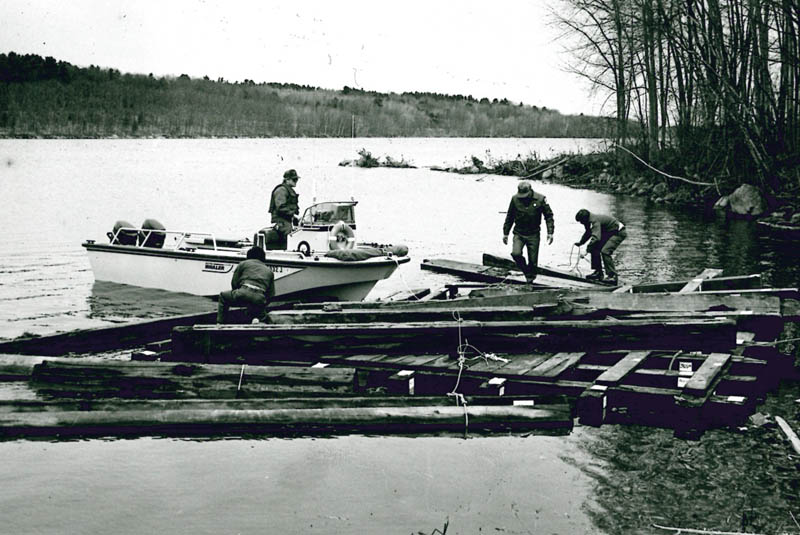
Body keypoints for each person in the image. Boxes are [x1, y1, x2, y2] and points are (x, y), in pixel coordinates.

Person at [502, 181, 554, 283]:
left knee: (533, 263)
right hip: (519, 233)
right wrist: (505, 233)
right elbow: (510, 216)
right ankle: (525, 270)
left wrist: (550, 232)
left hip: (533, 234)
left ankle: (530, 281)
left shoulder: (541, 199)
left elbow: (549, 216)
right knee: (515, 253)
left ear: (530, 191)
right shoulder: (515, 199)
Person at [217, 246, 275, 324]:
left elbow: (234, 283)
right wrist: (260, 304)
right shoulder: (269, 271)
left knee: (223, 296)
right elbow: (271, 295)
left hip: (243, 292)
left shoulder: (243, 264)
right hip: (259, 298)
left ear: (248, 256)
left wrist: (239, 296)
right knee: (260, 314)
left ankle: (220, 323)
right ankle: (258, 319)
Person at [574, 209, 627, 285]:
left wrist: (586, 251)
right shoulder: (588, 220)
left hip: (618, 232)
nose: (581, 223)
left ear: (585, 219)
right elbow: (588, 232)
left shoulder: (594, 221)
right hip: (609, 231)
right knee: (594, 249)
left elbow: (596, 238)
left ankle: (612, 276)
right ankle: (598, 272)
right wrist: (581, 242)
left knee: (605, 251)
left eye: (581, 221)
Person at [267, 169, 301, 249]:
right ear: (287, 180)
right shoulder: (281, 190)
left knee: (300, 231)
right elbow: (280, 207)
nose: (296, 181)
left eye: (296, 179)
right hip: (281, 221)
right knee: (290, 235)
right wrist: (293, 215)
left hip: (288, 220)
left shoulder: (289, 190)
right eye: (294, 179)